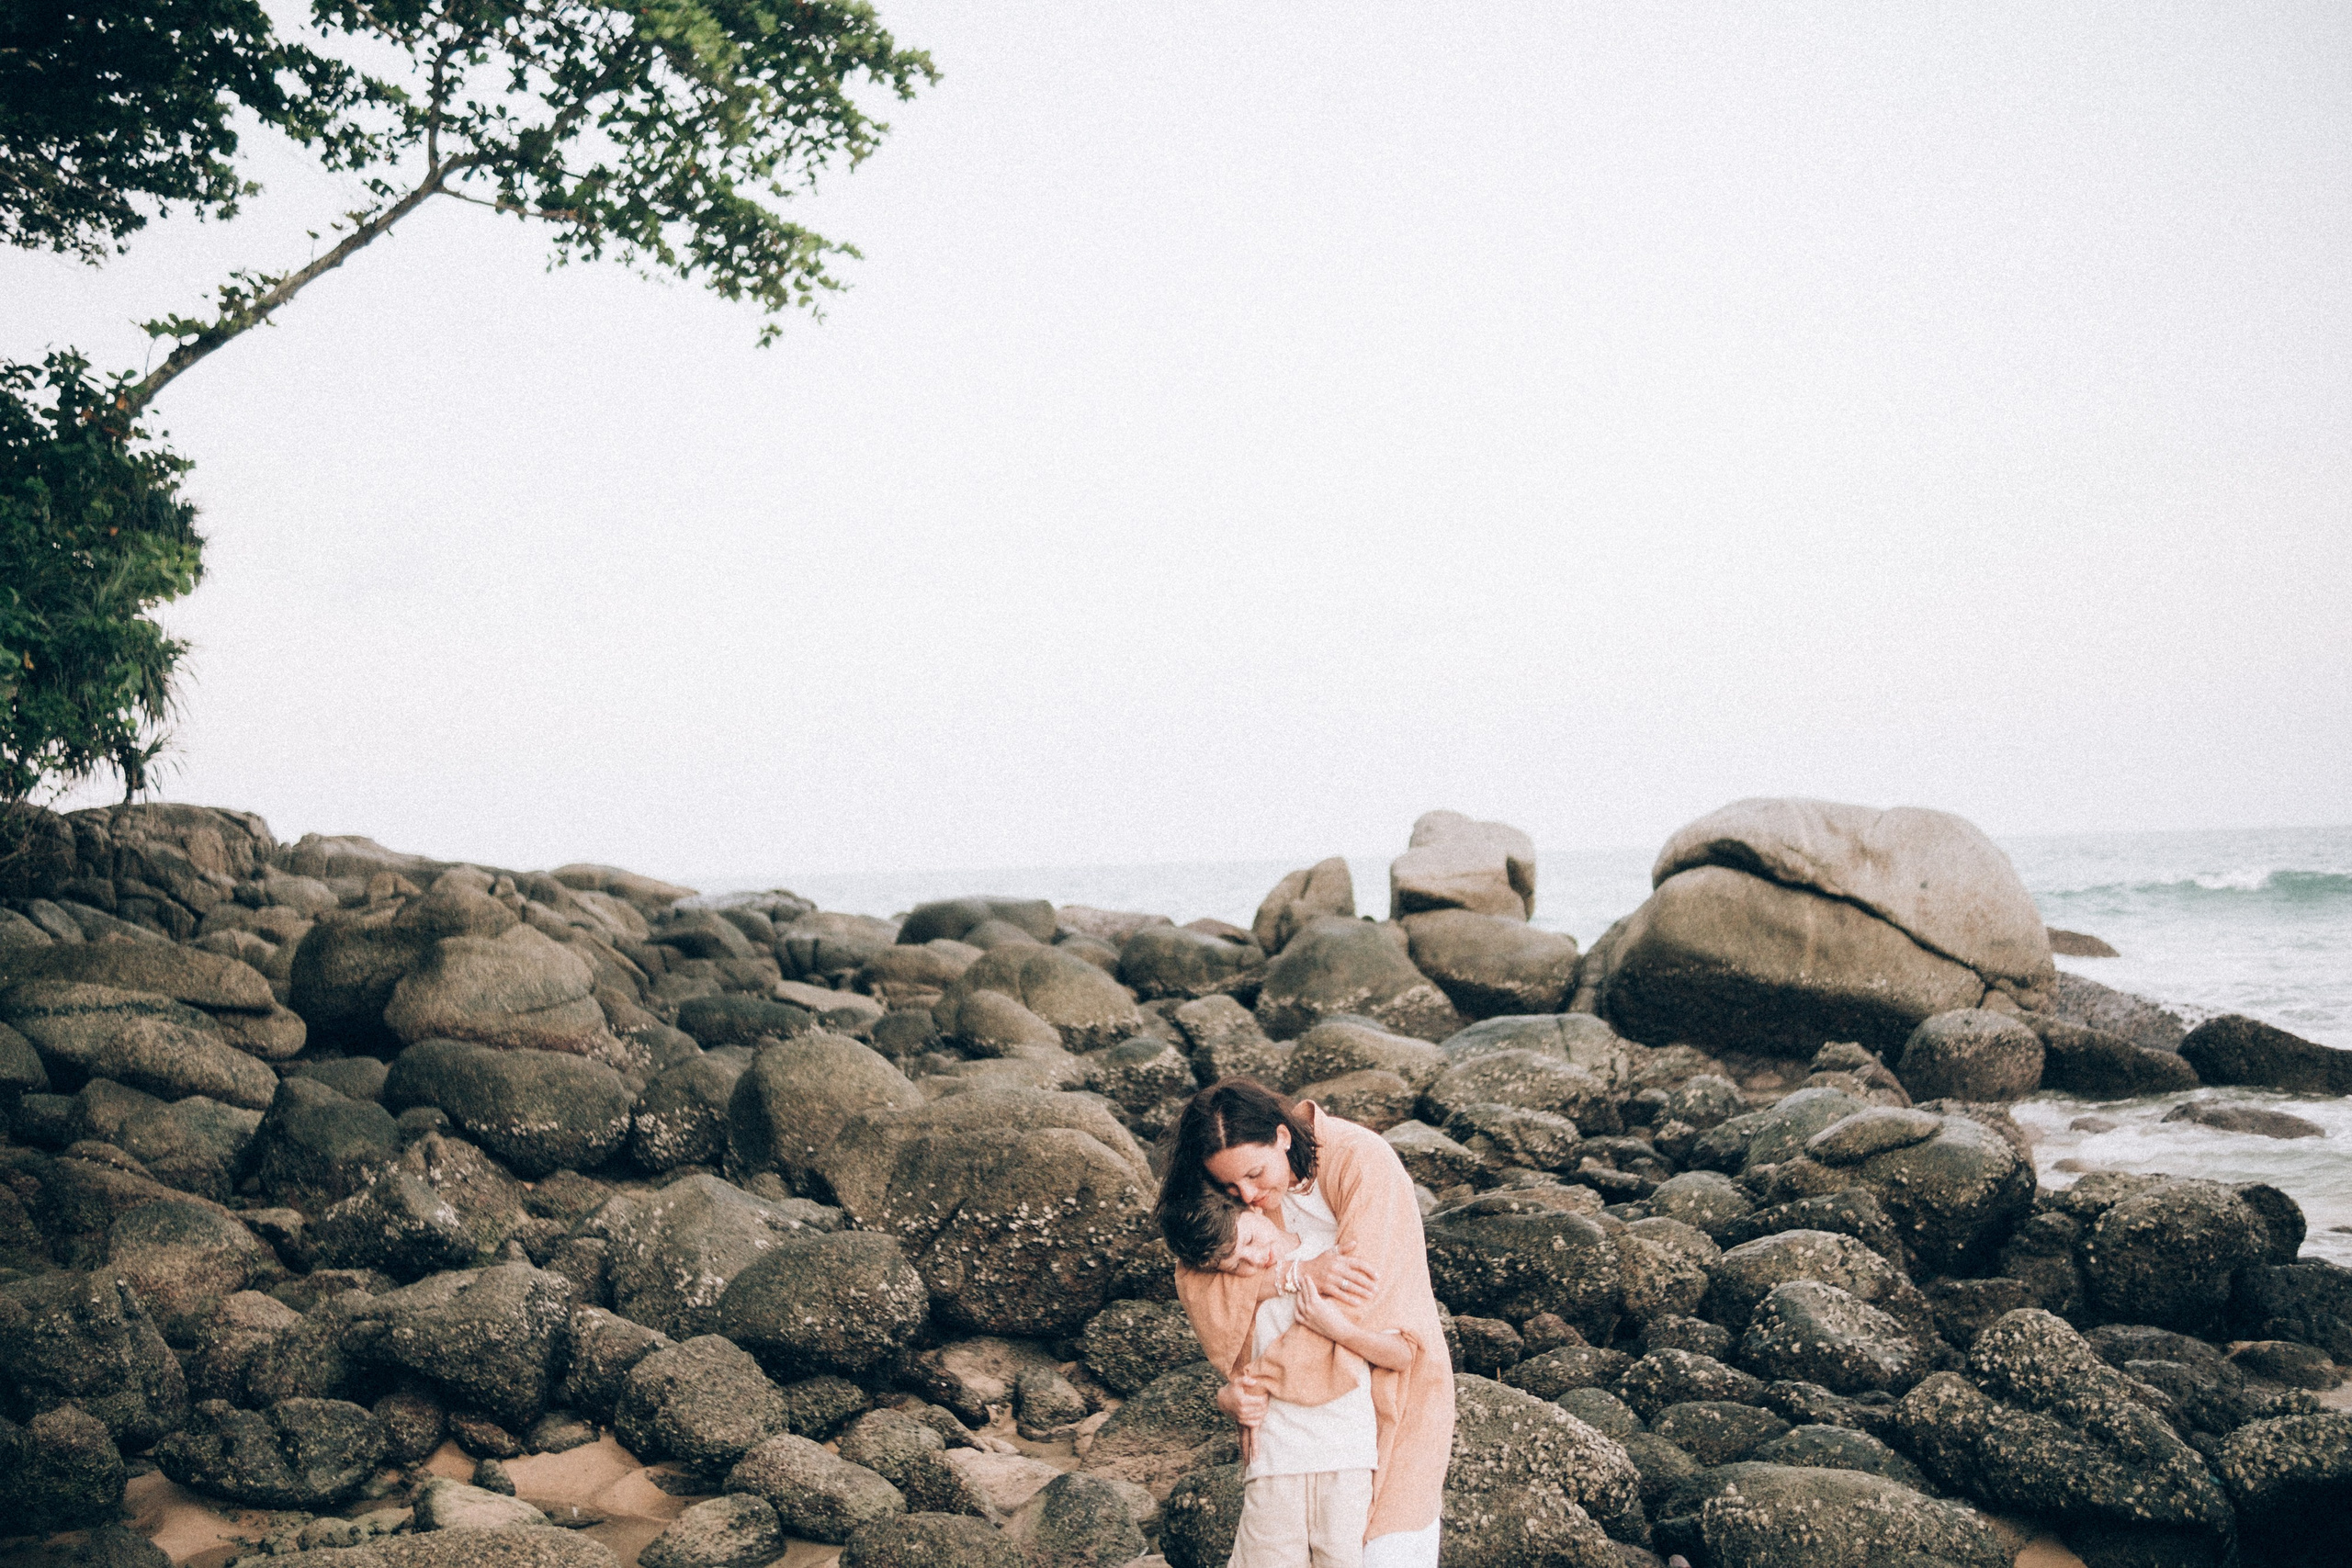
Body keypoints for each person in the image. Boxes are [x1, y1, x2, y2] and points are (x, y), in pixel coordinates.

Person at [1158, 1077, 1454, 1568]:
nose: (1248, 1196)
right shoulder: (1237, 1198)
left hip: (1392, 1388)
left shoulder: (1360, 1160)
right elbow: (1198, 1278)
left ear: (1282, 1136)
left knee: (1388, 1550)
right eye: (1230, 1187)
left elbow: (1356, 1297)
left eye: (1255, 1174)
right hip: (1294, 1434)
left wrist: (1255, 1382)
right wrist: (1293, 1275)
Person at [1173, 1189, 1418, 1568]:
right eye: (1237, 1263)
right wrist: (1228, 1397)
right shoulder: (1234, 1290)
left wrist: (1337, 1329)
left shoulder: (1333, 1250)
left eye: (1250, 1240)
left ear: (1254, 1209)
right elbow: (1240, 1367)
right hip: (1273, 1459)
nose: (1256, 1258)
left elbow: (1401, 1354)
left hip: (1346, 1453)